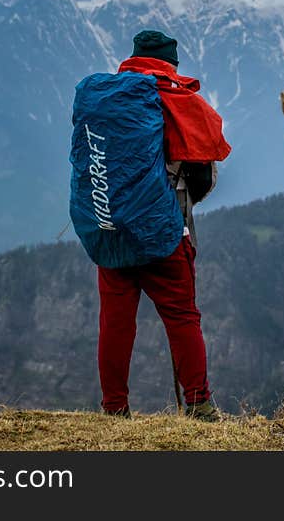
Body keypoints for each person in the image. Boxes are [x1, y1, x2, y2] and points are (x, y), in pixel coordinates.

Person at [97, 29, 231, 421]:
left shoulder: (108, 102)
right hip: (165, 231)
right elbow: (203, 177)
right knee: (182, 317)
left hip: (112, 228)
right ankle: (198, 403)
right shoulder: (179, 103)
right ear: (170, 64)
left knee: (116, 321)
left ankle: (114, 407)